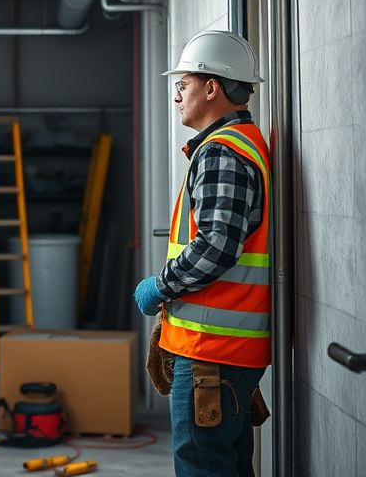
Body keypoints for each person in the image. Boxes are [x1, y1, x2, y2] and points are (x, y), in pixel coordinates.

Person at [133, 30, 271, 477]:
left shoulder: (222, 154)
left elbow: (216, 245)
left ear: (212, 87)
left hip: (212, 352)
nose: (177, 97)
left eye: (184, 85)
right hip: (222, 353)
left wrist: (159, 285)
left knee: (203, 468)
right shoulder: (236, 145)